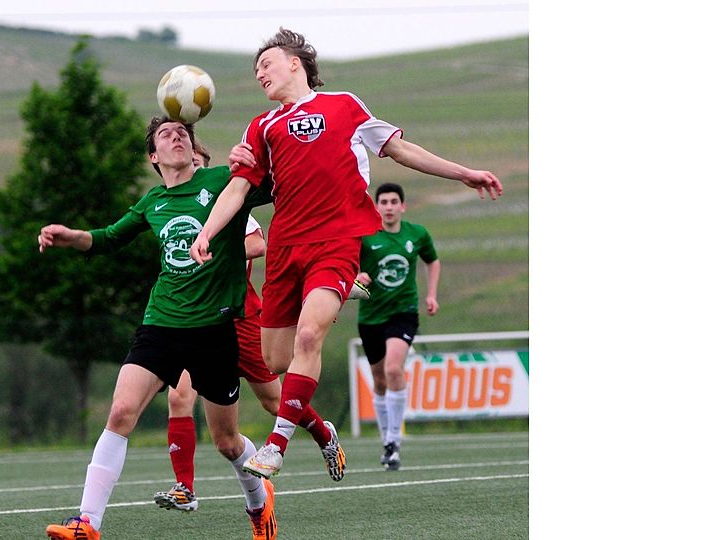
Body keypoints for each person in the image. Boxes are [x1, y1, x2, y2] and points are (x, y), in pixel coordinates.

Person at [189, 28, 502, 481]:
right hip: (285, 249)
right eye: (255, 69)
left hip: (335, 243)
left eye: (266, 64)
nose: (259, 73)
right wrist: (207, 232)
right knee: (276, 360)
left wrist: (464, 173)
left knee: (310, 337)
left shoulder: (345, 106)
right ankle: (341, 297)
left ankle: (277, 446)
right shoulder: (261, 126)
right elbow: (238, 187)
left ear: (295, 62)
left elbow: (401, 150)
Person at [39, 117, 278, 540]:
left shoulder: (224, 180)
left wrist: (255, 161)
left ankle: (259, 504)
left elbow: (279, 185)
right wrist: (72, 236)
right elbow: (109, 238)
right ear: (154, 156)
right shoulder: (152, 202)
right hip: (161, 324)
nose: (177, 136)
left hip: (215, 329)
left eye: (182, 131)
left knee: (226, 442)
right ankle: (87, 523)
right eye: (166, 134)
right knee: (120, 412)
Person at [154, 142, 338, 514]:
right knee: (179, 397)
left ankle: (323, 433)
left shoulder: (230, 204)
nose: (193, 169)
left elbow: (258, 244)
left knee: (273, 401)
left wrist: (214, 243)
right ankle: (184, 488)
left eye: (198, 163)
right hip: (197, 322)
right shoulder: (173, 208)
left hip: (241, 320)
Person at [356, 183, 440, 471]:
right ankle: (386, 440)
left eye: (394, 202)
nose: (389, 206)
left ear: (402, 206)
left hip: (403, 312)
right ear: (377, 206)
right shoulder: (366, 237)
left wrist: (431, 294)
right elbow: (345, 264)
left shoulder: (417, 234)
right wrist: (357, 275)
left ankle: (395, 439)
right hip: (370, 316)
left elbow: (432, 260)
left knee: (394, 369)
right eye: (384, 202)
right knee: (379, 380)